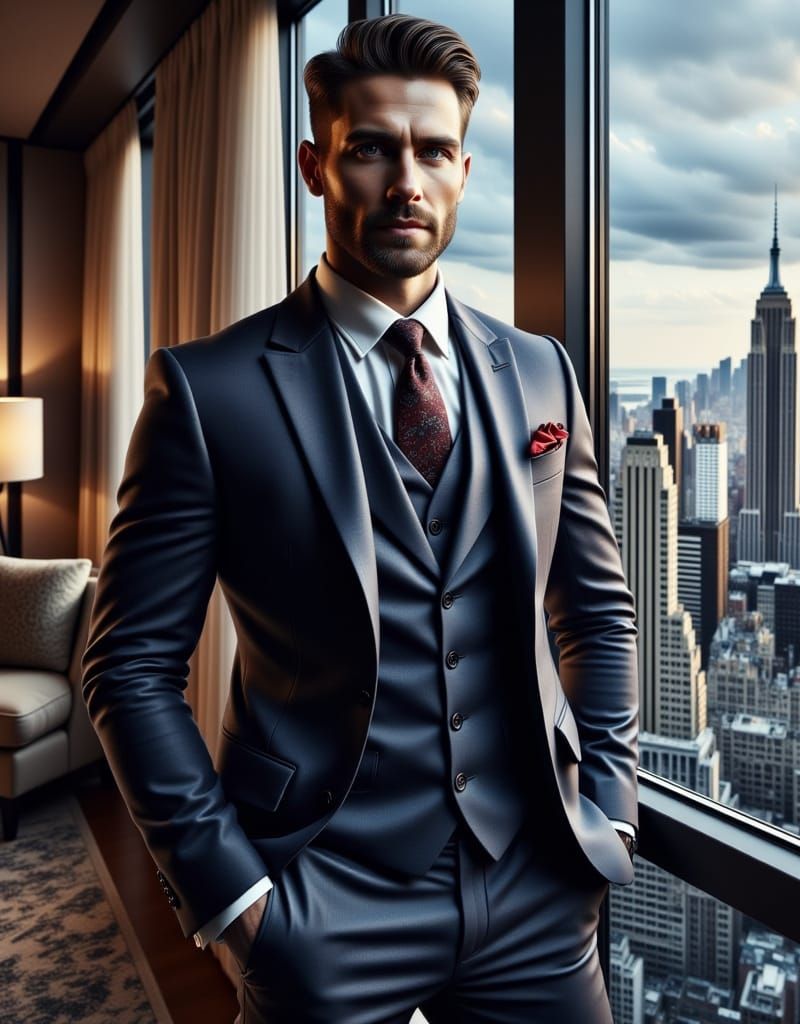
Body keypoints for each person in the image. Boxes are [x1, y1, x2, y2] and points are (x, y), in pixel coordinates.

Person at [82, 13, 639, 1024]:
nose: (406, 182)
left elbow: (596, 611)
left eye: (432, 151)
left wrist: (609, 810)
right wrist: (241, 903)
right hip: (318, 898)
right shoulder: (206, 393)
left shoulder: (541, 373)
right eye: (372, 149)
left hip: (534, 894)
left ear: (465, 170)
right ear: (313, 165)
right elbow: (126, 669)